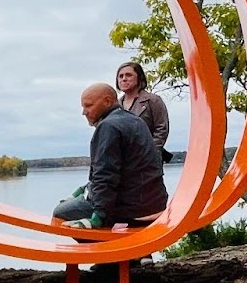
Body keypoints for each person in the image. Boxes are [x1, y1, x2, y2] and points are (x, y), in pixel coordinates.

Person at [53, 83, 168, 230]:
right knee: (78, 202)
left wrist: (99, 216)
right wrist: (86, 188)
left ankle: (103, 249)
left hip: (133, 210)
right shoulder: (136, 121)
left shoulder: (108, 126)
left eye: (88, 106)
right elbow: (128, 170)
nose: (84, 112)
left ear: (107, 101)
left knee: (60, 212)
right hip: (155, 205)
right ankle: (129, 250)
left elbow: (105, 175)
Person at [116, 61, 171, 162]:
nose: (124, 79)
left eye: (128, 75)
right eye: (120, 76)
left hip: (148, 161)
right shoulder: (116, 106)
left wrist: (150, 151)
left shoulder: (153, 100)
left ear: (139, 77)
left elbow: (162, 129)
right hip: (124, 162)